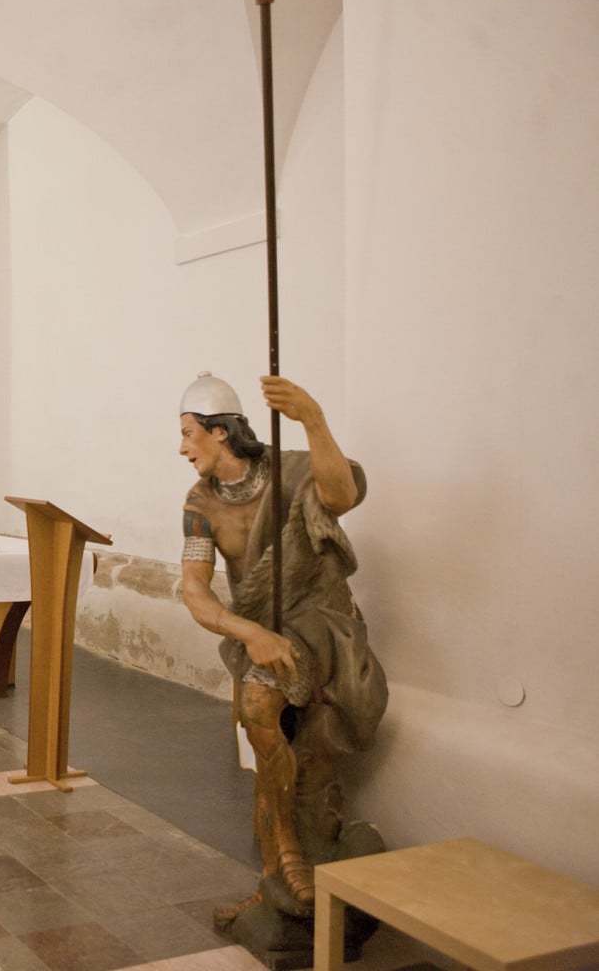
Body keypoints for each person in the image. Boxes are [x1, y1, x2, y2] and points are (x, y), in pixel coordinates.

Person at [177, 372, 386, 918]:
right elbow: (195, 591)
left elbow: (341, 495)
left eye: (188, 434)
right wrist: (251, 633)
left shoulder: (290, 470)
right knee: (262, 723)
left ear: (220, 432)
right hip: (262, 630)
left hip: (319, 624)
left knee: (277, 720)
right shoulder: (201, 503)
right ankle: (280, 863)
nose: (182, 448)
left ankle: (294, 855)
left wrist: (312, 417)